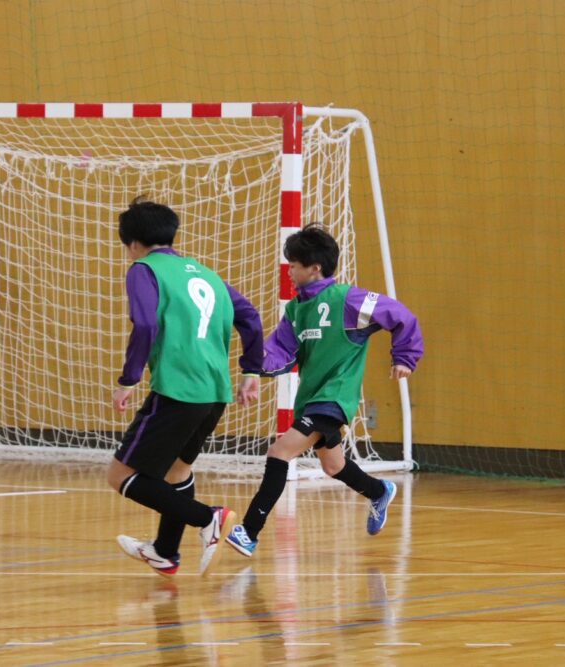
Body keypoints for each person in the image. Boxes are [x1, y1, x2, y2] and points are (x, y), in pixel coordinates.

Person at [226, 224, 423, 558]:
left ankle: (249, 531)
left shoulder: (349, 300)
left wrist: (404, 357)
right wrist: (254, 366)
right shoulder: (296, 309)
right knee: (333, 466)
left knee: (279, 452)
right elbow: (280, 351)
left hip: (334, 397)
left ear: (314, 268)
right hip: (311, 398)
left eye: (294, 265)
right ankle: (378, 490)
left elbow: (402, 316)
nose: (289, 271)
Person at [107, 197, 263, 577]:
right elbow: (250, 317)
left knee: (120, 476)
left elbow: (146, 325)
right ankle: (164, 551)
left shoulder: (143, 269)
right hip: (215, 390)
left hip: (178, 390)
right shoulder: (208, 274)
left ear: (132, 243)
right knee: (177, 471)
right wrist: (252, 371)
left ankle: (208, 518)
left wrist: (129, 379)